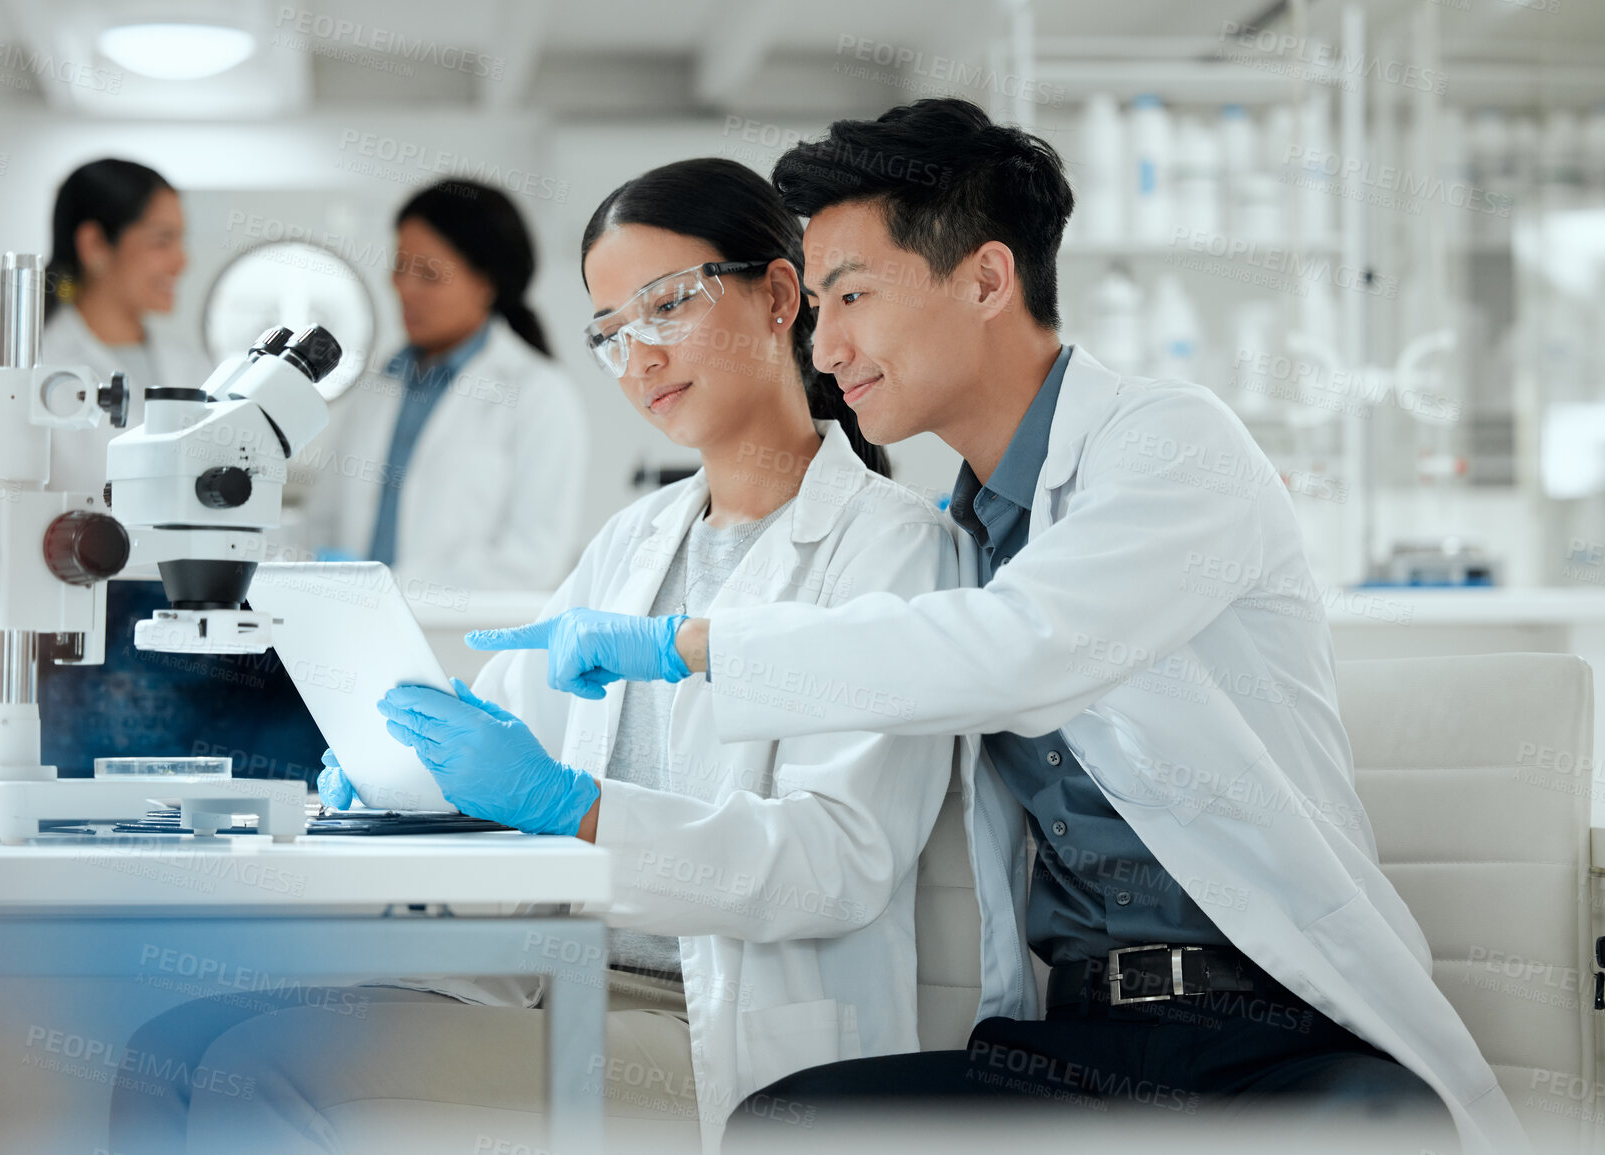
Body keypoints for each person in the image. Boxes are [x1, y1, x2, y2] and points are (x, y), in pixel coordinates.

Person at [470, 100, 1524, 1154]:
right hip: (1077, 1044)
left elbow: (1021, 648)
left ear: (984, 279)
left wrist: (685, 647)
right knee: (791, 1123)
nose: (825, 343)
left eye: (852, 295)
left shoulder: (1168, 449)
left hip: (1280, 1033)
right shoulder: (968, 529)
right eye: (820, 302)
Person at [109, 158, 957, 1155]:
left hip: (723, 1029)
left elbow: (834, 866)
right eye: (611, 334)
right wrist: (407, 769)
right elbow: (501, 728)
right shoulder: (635, 540)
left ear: (779, 295)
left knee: (262, 1070)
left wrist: (573, 807)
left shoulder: (894, 548)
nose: (639, 357)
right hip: (559, 973)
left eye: (667, 307)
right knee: (168, 1041)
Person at [301, 180, 588, 591]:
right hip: (352, 628)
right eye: (400, 266)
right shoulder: (380, 385)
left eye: (429, 275)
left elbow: (533, 559)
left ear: (486, 284)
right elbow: (324, 523)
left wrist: (390, 587)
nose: (404, 288)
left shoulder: (539, 394)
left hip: (459, 641)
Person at [41, 158, 212, 497]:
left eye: (179, 241)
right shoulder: (42, 369)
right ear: (95, 245)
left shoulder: (190, 365)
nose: (182, 261)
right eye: (162, 241)